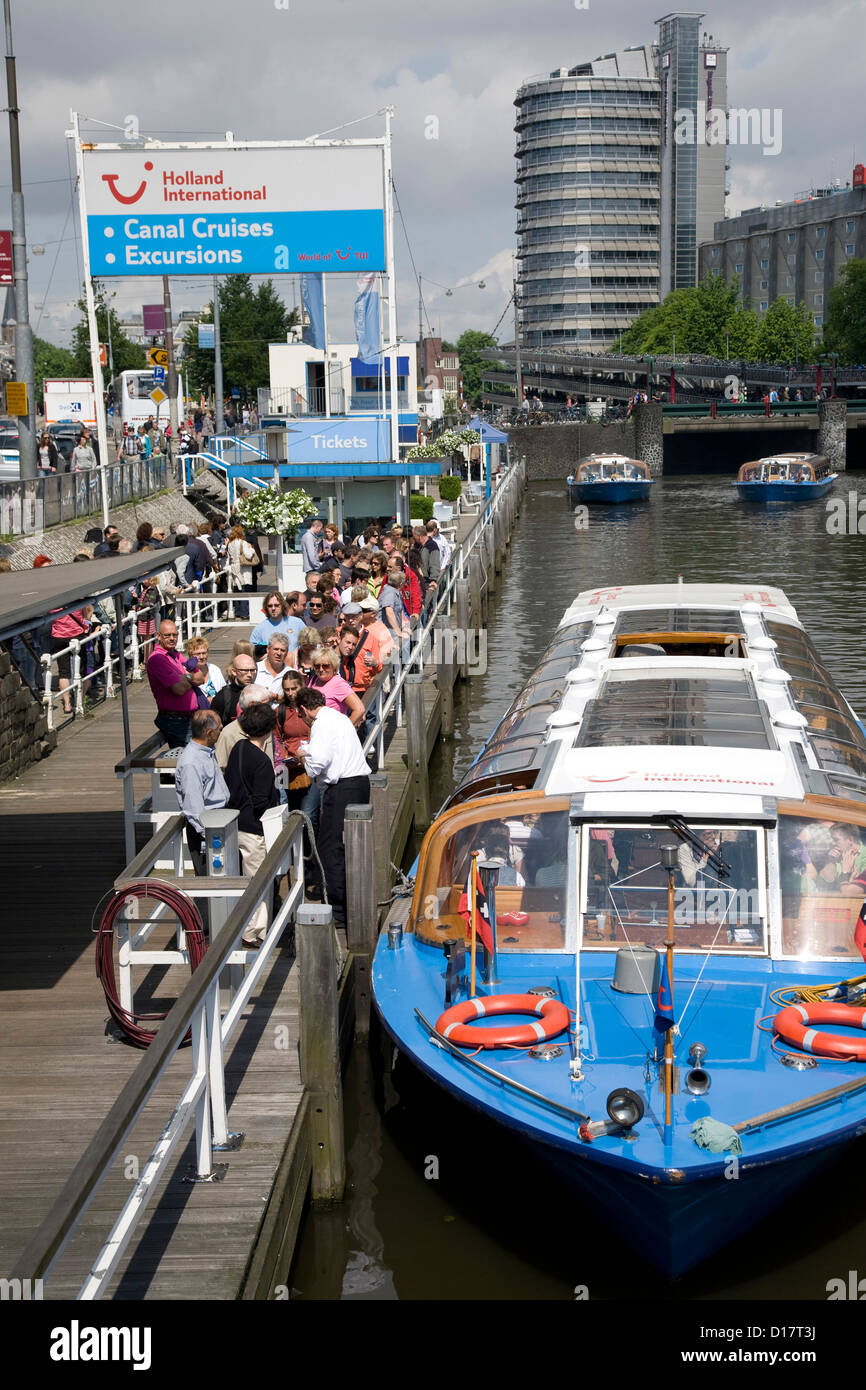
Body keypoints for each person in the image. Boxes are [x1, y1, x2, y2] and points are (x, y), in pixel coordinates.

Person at [294, 687, 371, 927]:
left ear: (305, 710)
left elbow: (317, 764)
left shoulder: (321, 724)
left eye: (300, 715)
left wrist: (302, 755)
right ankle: (352, 902)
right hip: (359, 783)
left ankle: (340, 911)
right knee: (350, 846)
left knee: (330, 849)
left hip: (342, 789)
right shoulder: (338, 717)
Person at [225, 702, 281, 947]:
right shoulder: (261, 761)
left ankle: (242, 926)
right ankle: (254, 933)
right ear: (269, 729)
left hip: (233, 822)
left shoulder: (238, 747)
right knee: (257, 881)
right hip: (253, 829)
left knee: (241, 879)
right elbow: (261, 801)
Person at [174, 709, 229, 875]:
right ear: (209, 732)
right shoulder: (191, 763)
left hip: (218, 824)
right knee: (212, 888)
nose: (222, 729)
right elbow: (194, 808)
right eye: (220, 728)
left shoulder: (206, 752)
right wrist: (212, 839)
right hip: (208, 834)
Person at [145, 619, 208, 747]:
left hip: (190, 718)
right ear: (158, 636)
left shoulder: (176, 655)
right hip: (175, 721)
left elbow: (201, 678)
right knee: (189, 761)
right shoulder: (158, 659)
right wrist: (190, 678)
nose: (172, 638)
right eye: (167, 635)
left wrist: (184, 676)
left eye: (175, 634)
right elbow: (178, 689)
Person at [308, 645, 365, 726]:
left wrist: (344, 730)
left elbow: (359, 709)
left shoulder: (338, 683)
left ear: (333, 666)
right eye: (317, 666)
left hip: (333, 734)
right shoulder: (314, 680)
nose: (321, 669)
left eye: (325, 666)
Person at [211, 650, 258, 725]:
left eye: (252, 670)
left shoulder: (259, 693)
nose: (249, 675)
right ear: (234, 672)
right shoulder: (222, 697)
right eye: (245, 670)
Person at [250, 590, 304, 656]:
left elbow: (311, 642)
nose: (273, 608)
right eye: (270, 606)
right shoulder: (259, 629)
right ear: (266, 608)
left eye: (276, 605)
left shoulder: (297, 623)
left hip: (294, 664)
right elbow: (252, 653)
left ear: (282, 605)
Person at [184, 636, 225, 700]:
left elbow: (223, 691)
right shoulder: (187, 672)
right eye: (198, 654)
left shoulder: (215, 669)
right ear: (190, 655)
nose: (201, 657)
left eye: (204, 653)